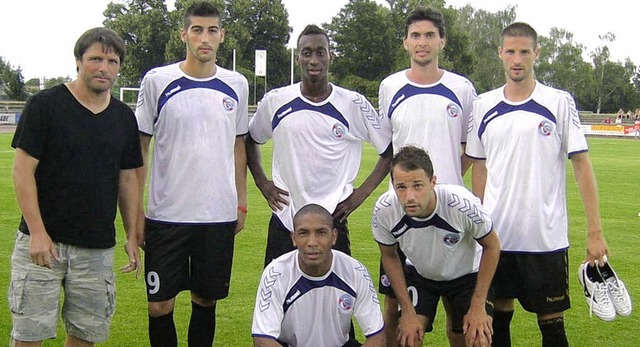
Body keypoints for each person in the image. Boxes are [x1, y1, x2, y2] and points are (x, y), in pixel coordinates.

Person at [465, 22, 610, 347]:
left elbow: (582, 164)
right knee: (498, 323)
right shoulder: (483, 105)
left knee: (553, 328)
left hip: (545, 237)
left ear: (536, 54)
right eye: (511, 51)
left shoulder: (558, 102)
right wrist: (477, 223)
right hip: (496, 238)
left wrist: (594, 230)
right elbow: (479, 165)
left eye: (524, 52)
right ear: (501, 53)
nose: (517, 59)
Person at [9, 27, 142, 346]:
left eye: (112, 61)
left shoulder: (124, 118)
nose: (103, 67)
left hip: (96, 248)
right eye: (95, 58)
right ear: (78, 61)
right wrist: (38, 232)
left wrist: (132, 236)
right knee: (29, 336)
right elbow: (22, 170)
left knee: (85, 337)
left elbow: (127, 179)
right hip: (43, 246)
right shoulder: (45, 105)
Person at [134, 2, 249, 346]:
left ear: (221, 36)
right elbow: (140, 147)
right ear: (184, 34)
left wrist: (241, 203)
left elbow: (238, 145)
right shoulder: (157, 81)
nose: (204, 37)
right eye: (197, 30)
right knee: (159, 304)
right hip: (166, 215)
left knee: (205, 299)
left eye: (212, 30)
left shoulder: (237, 84)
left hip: (216, 214)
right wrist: (136, 211)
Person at [246, 24, 393, 267]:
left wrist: (358, 197)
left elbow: (388, 152)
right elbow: (251, 140)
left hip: (332, 219)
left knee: (336, 299)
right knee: (277, 296)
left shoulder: (353, 103)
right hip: (286, 218)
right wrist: (264, 185)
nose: (314, 60)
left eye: (320, 52)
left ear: (330, 57)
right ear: (298, 58)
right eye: (307, 53)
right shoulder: (276, 100)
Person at [376, 7, 478, 344]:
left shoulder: (461, 89)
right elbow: (387, 151)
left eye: (429, 35)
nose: (423, 42)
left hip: (449, 211)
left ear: (442, 41)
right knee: (394, 306)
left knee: (457, 312)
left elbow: (470, 150)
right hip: (402, 212)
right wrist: (410, 191)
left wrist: (438, 187)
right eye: (416, 35)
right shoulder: (390, 86)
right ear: (406, 42)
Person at [372, 146, 500, 347]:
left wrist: (477, 306)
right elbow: (389, 256)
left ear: (433, 182)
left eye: (417, 185)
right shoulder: (385, 210)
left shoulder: (461, 205)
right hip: (421, 275)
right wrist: (406, 310)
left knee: (476, 338)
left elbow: (492, 246)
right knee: (407, 338)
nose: (410, 196)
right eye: (401, 187)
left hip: (466, 276)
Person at [252, 204, 385, 347]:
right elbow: (262, 340)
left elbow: (377, 337)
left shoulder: (355, 271)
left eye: (321, 233)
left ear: (333, 236)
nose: (312, 242)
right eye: (303, 233)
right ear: (293, 238)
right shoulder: (276, 273)